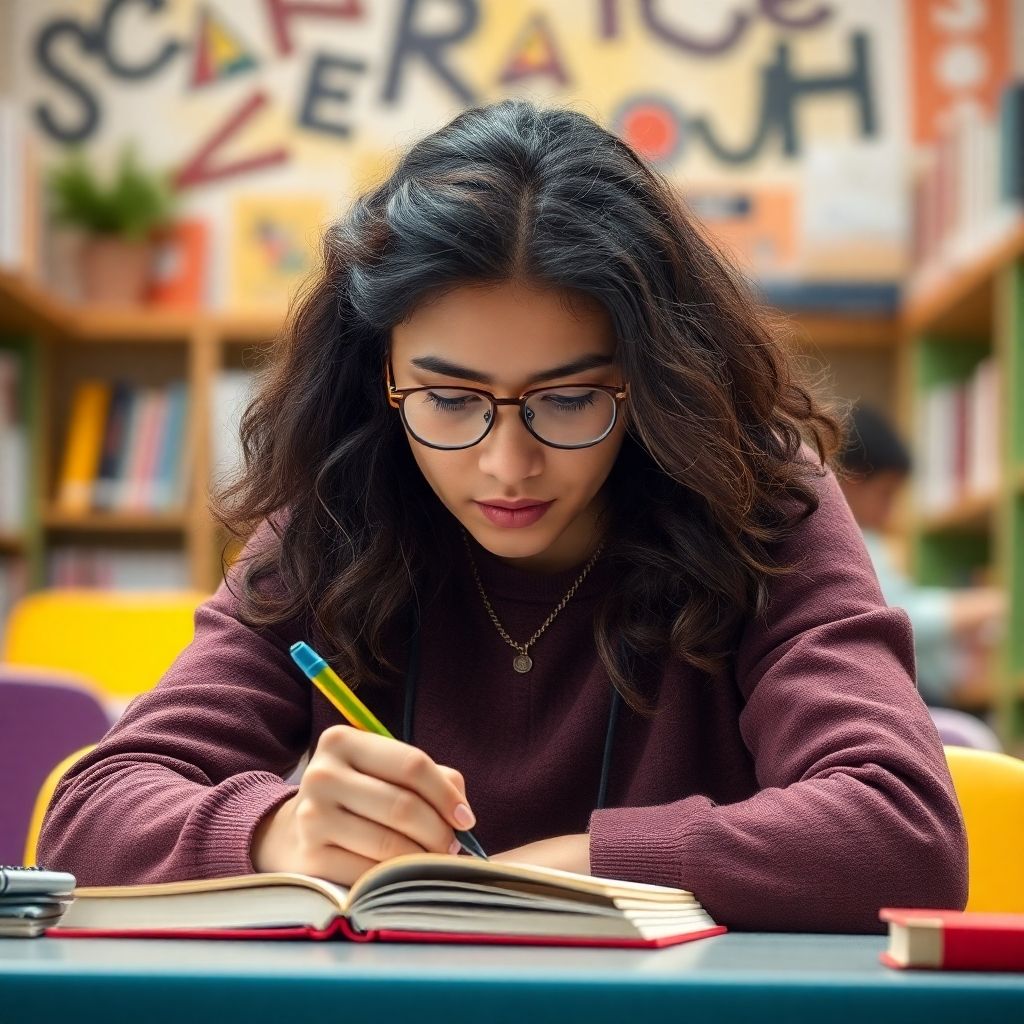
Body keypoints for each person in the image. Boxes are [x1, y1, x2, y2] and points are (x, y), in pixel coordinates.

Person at [37, 100, 966, 933]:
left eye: (567, 400)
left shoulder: (759, 500)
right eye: (449, 401)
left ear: (654, 380)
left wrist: (572, 869)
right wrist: (276, 830)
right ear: (382, 378)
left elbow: (903, 831)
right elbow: (88, 813)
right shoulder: (337, 509)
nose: (506, 465)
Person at [837, 404, 1005, 710]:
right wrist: (984, 606)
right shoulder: (847, 543)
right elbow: (894, 616)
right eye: (886, 494)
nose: (890, 512)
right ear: (852, 479)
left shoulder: (870, 541)